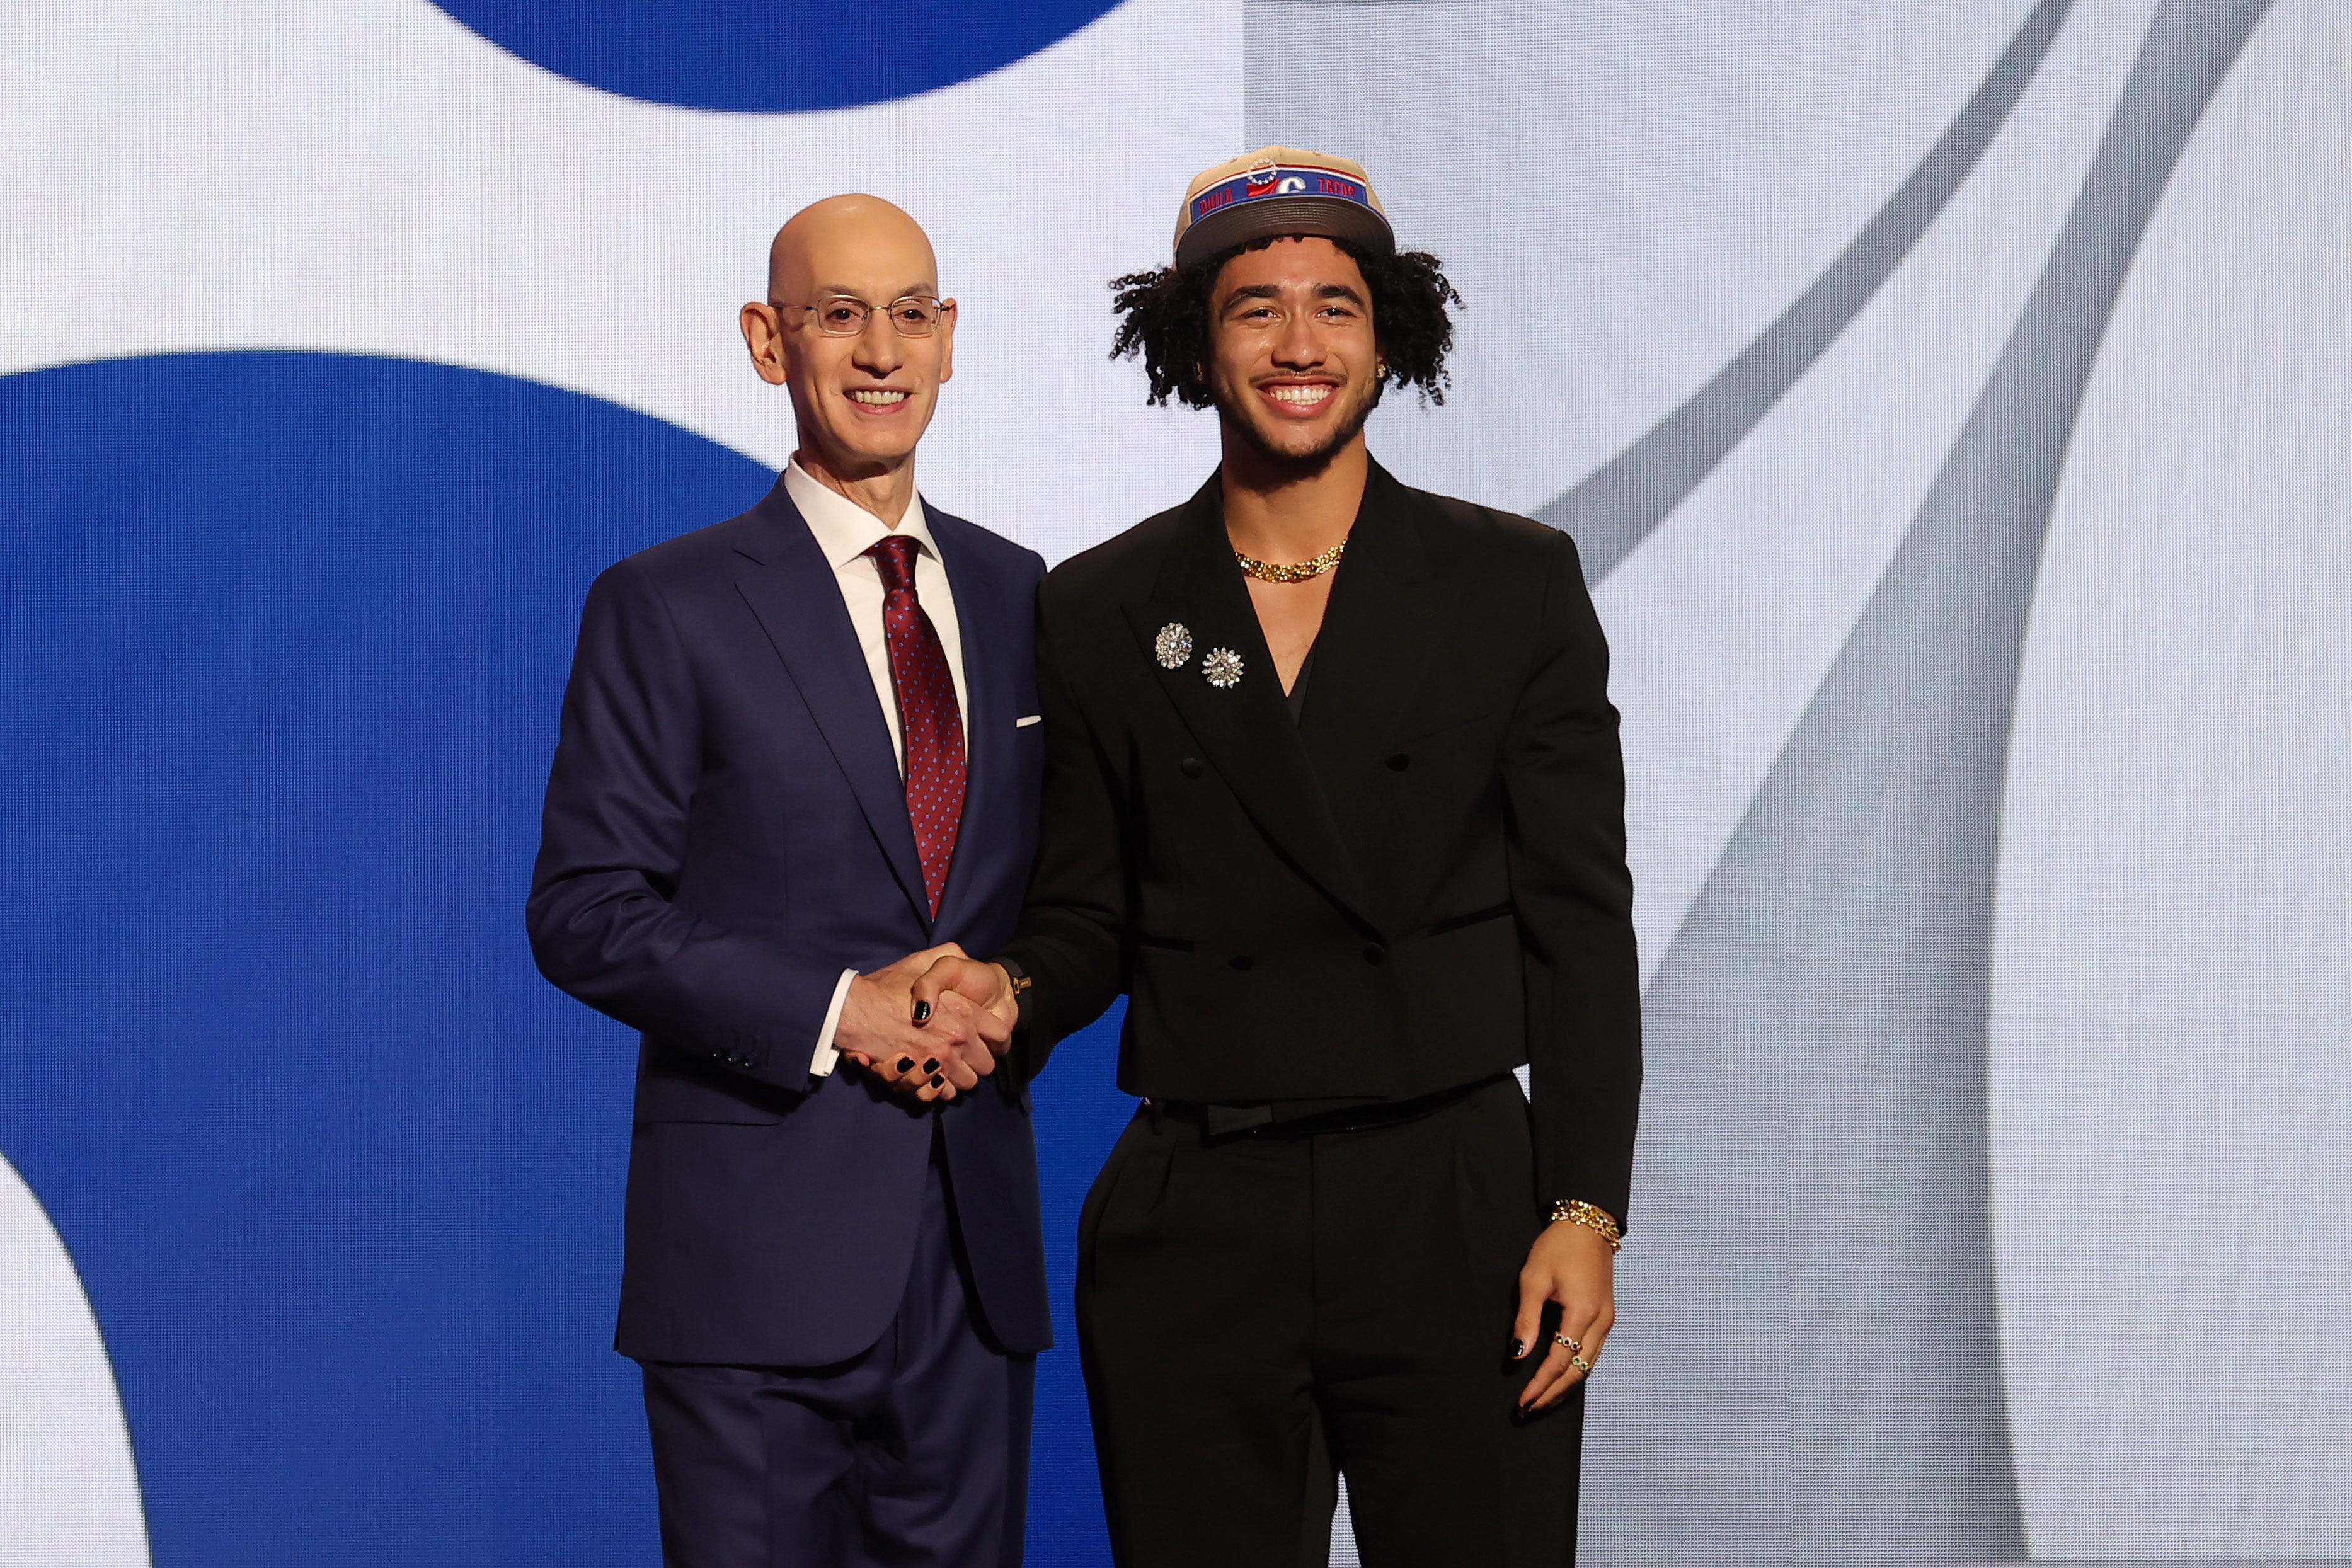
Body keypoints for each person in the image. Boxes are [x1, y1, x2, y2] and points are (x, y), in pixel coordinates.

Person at [912, 148, 1642, 1565]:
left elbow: (1580, 926)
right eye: (1255, 310)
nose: (1298, 345)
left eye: (1334, 306)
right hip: (1199, 1213)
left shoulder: (1510, 582)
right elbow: (1085, 911)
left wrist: (1585, 1206)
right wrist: (1004, 992)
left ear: (1389, 338)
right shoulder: (1105, 602)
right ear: (1195, 341)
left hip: (1457, 1204)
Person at [525, 195, 1048, 1568]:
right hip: (752, 1275)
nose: (880, 350)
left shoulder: (1020, 595)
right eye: (837, 315)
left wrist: (1008, 990)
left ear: (949, 340)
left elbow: (1064, 895)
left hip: (973, 1271)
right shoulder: (666, 601)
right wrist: (840, 1010)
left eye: (910, 313)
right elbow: (585, 909)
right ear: (770, 343)